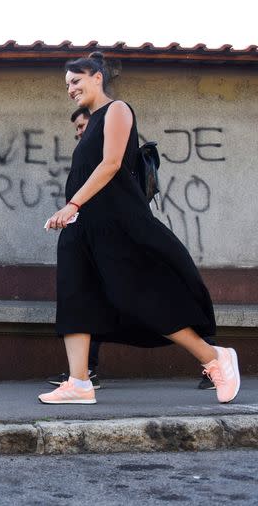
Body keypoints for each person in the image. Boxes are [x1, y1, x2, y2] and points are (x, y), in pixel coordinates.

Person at [38, 52, 240, 405]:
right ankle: (80, 383)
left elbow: (112, 164)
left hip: (113, 223)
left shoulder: (117, 111)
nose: (70, 89)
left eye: (76, 81)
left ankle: (214, 357)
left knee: (140, 297)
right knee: (75, 298)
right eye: (67, 84)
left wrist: (72, 204)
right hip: (83, 224)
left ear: (97, 77)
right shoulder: (89, 124)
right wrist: (75, 213)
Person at [47, 107, 102, 390]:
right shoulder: (87, 156)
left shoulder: (106, 155)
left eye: (83, 126)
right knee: (87, 300)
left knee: (150, 298)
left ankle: (211, 356)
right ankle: (83, 372)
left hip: (106, 239)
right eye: (77, 129)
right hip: (89, 239)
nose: (79, 132)